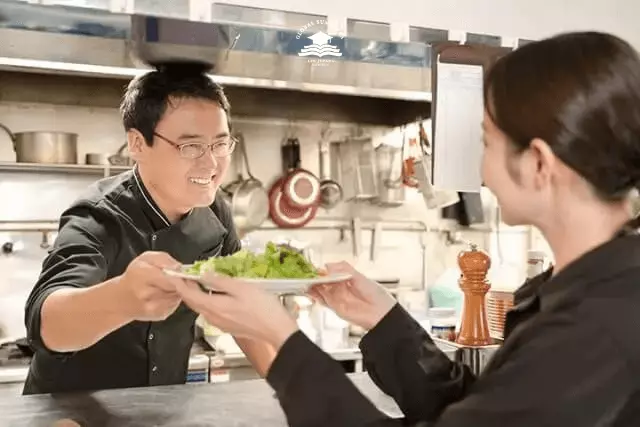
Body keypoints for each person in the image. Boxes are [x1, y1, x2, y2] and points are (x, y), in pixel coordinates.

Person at [175, 31, 640, 426]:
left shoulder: (596, 328)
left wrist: (282, 339)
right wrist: (386, 321)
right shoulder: (589, 291)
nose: (481, 170)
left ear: (538, 163)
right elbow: (476, 410)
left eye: (487, 143)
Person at [22, 63, 274, 395]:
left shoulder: (215, 212)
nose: (211, 164)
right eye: (191, 146)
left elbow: (239, 309)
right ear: (138, 144)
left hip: (159, 407)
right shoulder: (98, 216)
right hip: (70, 409)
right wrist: (122, 298)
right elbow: (46, 323)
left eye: (220, 144)